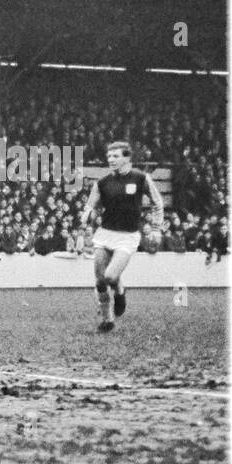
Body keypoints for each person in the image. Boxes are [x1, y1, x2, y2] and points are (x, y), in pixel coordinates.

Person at [78, 141, 165, 332]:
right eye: (109, 156)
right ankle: (108, 320)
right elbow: (90, 206)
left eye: (116, 156)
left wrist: (157, 228)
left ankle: (120, 292)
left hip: (128, 236)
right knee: (100, 281)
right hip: (105, 234)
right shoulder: (102, 183)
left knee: (110, 276)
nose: (111, 160)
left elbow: (158, 203)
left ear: (127, 158)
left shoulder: (141, 178)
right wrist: (87, 215)